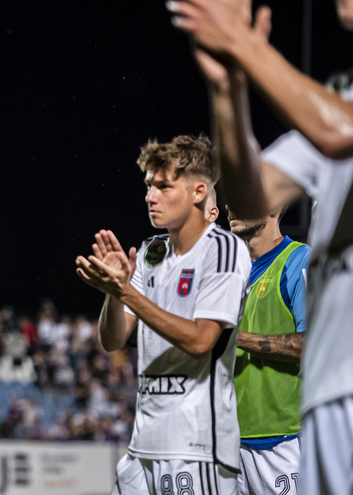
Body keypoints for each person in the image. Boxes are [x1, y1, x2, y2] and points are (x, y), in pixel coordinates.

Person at [167, 0, 353, 490]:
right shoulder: (346, 94)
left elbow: (340, 131)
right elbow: (252, 193)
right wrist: (228, 91)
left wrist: (244, 45)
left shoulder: (343, 112)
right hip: (331, 398)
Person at [76, 136, 250, 493]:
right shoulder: (151, 252)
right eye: (148, 186)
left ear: (198, 192)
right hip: (144, 443)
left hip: (196, 448)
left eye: (163, 187)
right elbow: (113, 340)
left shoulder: (224, 250)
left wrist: (127, 292)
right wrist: (114, 293)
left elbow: (201, 341)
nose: (149, 196)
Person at [227, 204, 309, 495]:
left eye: (242, 196)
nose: (229, 205)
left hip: (284, 442)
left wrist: (234, 337)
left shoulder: (299, 259)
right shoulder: (230, 274)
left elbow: (310, 345)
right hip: (229, 444)